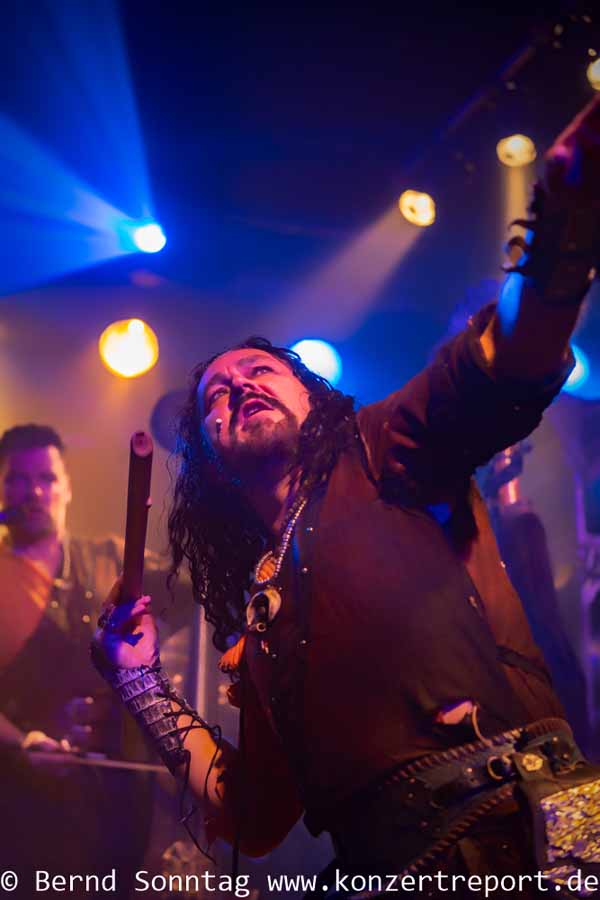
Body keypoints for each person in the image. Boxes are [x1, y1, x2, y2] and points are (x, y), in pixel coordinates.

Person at [94, 97, 600, 897]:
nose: (239, 387)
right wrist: (138, 679)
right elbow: (251, 812)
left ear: (315, 399)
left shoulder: (378, 448)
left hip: (524, 847)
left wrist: (563, 227)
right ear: (212, 462)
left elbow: (502, 364)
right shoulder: (263, 616)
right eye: (217, 395)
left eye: (261, 372)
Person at [0, 425, 189, 897]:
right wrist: (23, 742)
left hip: (116, 810)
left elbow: (191, 595)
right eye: (17, 479)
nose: (33, 491)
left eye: (46, 477)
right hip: (19, 807)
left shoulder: (110, 558)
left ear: (67, 487)